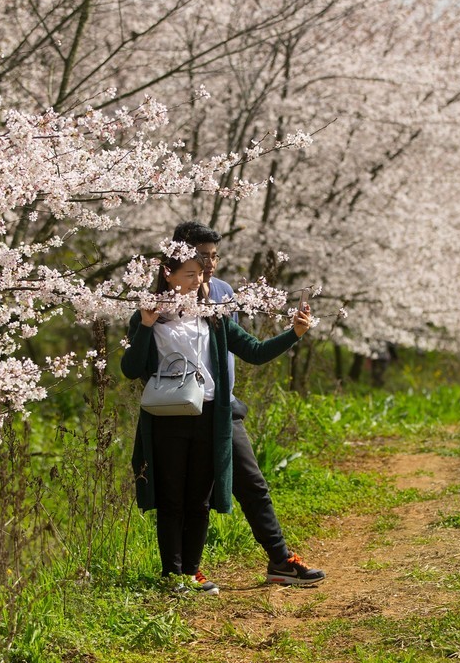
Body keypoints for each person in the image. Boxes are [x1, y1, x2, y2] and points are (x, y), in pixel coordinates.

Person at [122, 243, 312, 595]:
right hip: (167, 416)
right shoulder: (148, 315)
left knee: (199, 499)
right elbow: (130, 369)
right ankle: (172, 575)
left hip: (209, 414)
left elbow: (254, 351)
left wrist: (294, 334)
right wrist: (147, 326)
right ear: (169, 275)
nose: (198, 281)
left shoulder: (214, 315)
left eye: (200, 274)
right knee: (171, 498)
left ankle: (192, 572)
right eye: (190, 275)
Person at [171, 221, 326, 586]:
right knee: (194, 497)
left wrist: (294, 333)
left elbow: (246, 349)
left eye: (213, 256)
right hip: (183, 412)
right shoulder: (166, 296)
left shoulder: (223, 292)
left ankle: (280, 560)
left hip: (223, 408)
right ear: (179, 256)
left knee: (253, 485)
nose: (209, 264)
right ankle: (183, 571)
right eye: (200, 257)